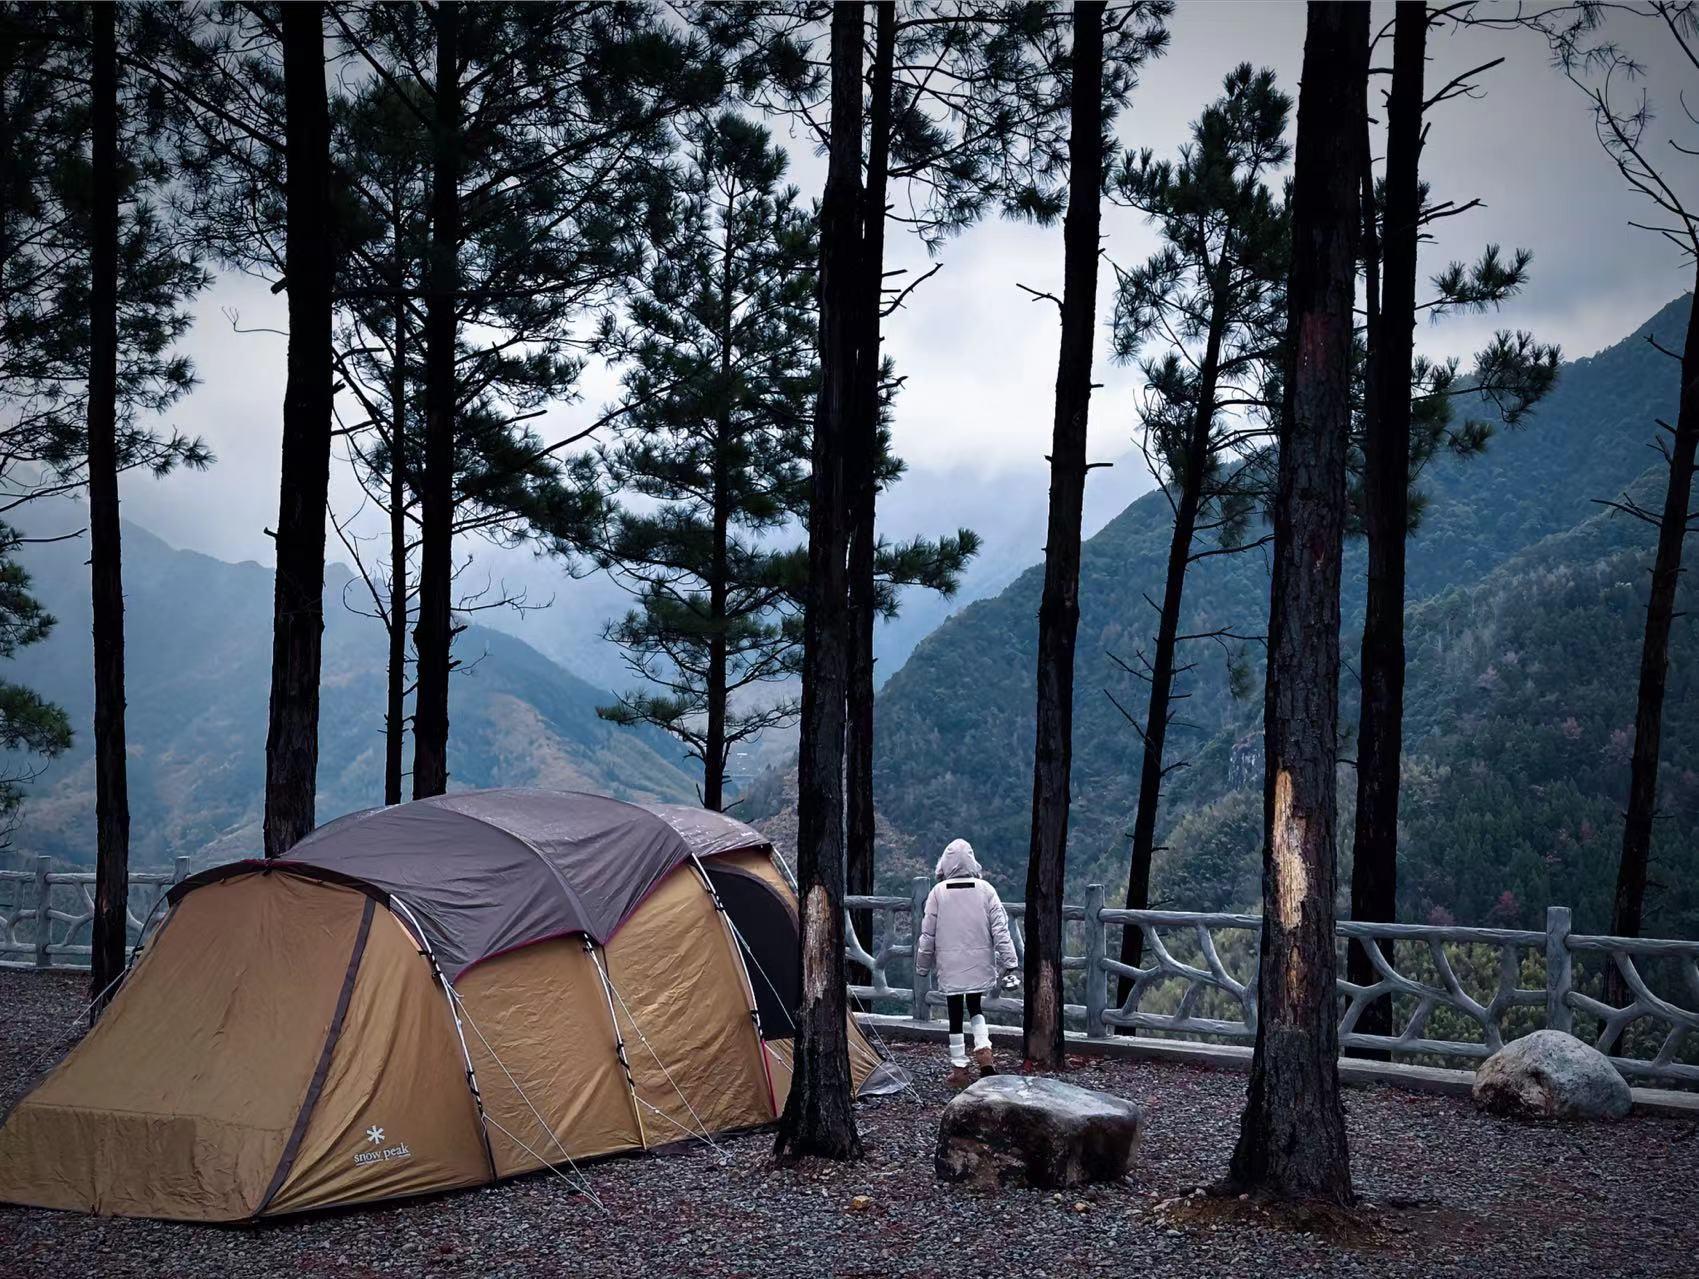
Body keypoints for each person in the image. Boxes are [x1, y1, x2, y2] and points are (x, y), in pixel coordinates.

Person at [914, 838, 1019, 1089]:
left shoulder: (938, 893)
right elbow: (1000, 930)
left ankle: (959, 1068)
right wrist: (1010, 961)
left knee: (954, 1013)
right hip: (979, 962)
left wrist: (922, 965)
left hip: (950, 964)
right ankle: (985, 1055)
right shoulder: (986, 889)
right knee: (975, 1006)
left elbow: (927, 935)